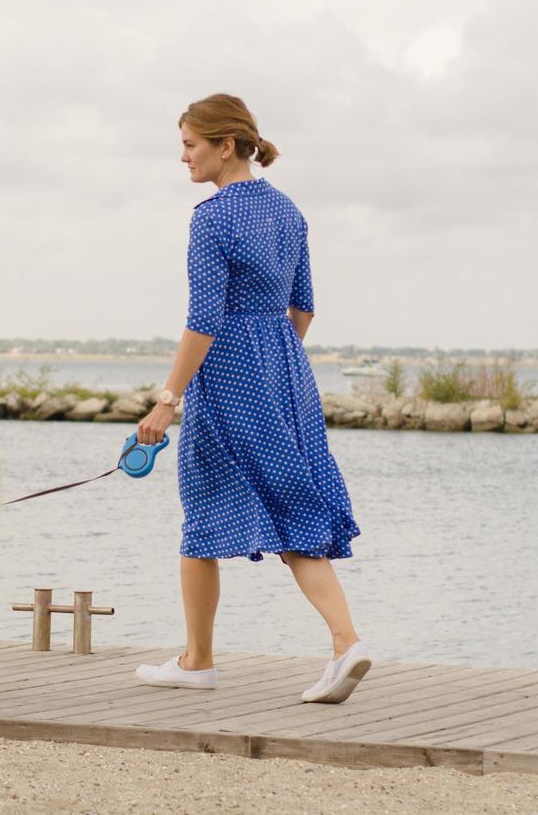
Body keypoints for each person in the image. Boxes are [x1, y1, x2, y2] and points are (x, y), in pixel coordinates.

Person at [134, 93, 370, 704]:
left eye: (191, 145)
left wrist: (167, 401)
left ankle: (200, 660)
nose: (182, 157)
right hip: (287, 376)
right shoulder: (288, 212)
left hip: (227, 378)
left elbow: (203, 320)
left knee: (203, 514)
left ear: (226, 145)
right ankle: (339, 641)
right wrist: (275, 363)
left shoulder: (211, 219)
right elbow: (304, 307)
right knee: (293, 507)